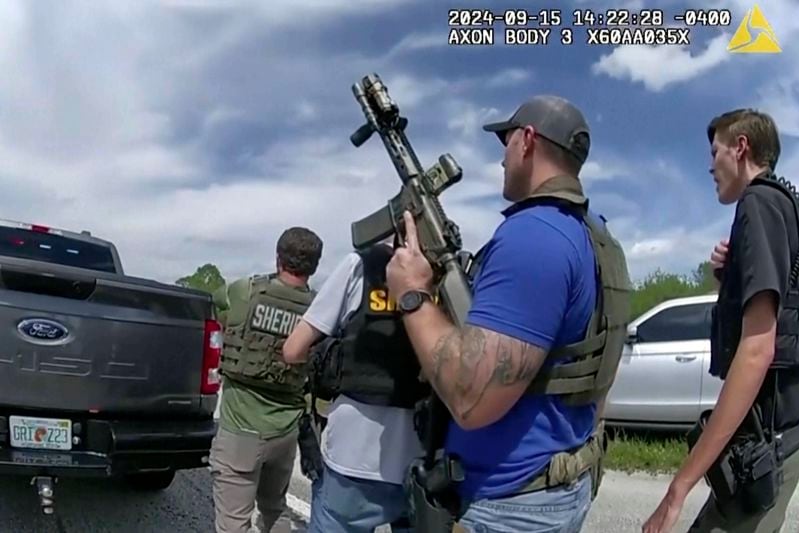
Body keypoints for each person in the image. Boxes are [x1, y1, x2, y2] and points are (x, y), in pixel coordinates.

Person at [385, 95, 631, 532]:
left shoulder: (533, 236)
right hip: (559, 479)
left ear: (527, 141)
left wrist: (412, 295)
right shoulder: (594, 235)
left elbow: (471, 399)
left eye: (506, 142)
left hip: (511, 504)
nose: (502, 159)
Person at [644, 109, 799, 533]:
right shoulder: (784, 205)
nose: (710, 166)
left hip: (768, 439)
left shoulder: (759, 202)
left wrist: (678, 489)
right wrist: (729, 280)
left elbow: (757, 349)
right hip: (777, 433)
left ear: (741, 147)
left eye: (715, 152)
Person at [282, 241, 427, 533]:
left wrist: (331, 353)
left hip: (352, 457)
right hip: (423, 460)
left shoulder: (360, 265)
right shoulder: (449, 272)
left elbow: (293, 350)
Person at [209, 226, 323, 533]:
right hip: (286, 432)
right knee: (275, 509)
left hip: (240, 431)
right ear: (314, 265)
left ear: (278, 258)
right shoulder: (318, 309)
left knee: (233, 523)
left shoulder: (245, 291)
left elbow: (217, 299)